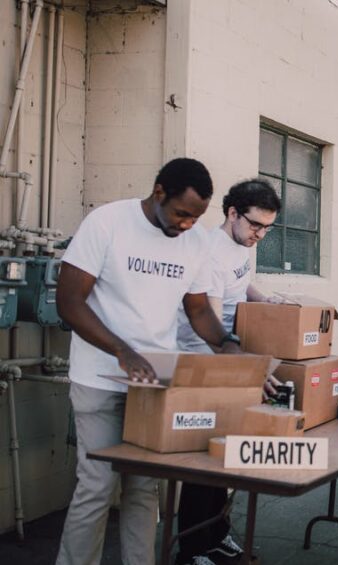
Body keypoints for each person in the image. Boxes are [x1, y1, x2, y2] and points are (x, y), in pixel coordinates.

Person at [55, 158, 243, 565]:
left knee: (144, 490)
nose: (187, 224)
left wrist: (227, 344)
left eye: (196, 217)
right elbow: (68, 302)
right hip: (100, 379)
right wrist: (122, 350)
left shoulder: (195, 242)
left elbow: (198, 310)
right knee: (97, 487)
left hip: (154, 385)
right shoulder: (108, 223)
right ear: (159, 193)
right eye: (181, 214)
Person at [173, 178, 283, 565]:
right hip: (204, 361)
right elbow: (213, 323)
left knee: (225, 456)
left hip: (229, 358)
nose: (260, 235)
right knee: (204, 461)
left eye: (268, 228)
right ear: (233, 213)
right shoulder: (210, 252)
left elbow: (242, 284)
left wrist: (268, 300)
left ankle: (217, 536)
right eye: (256, 225)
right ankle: (192, 550)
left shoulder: (240, 245)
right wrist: (246, 369)